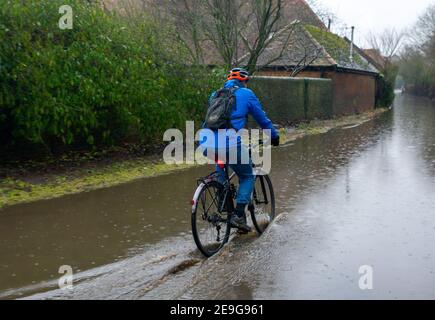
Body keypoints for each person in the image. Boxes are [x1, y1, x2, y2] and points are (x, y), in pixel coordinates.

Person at [200, 68, 280, 233]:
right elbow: (262, 119)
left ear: (228, 80)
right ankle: (237, 215)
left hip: (206, 142)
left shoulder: (216, 94)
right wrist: (274, 135)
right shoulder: (246, 94)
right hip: (229, 143)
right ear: (244, 81)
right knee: (247, 175)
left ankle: (223, 204)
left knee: (221, 163)